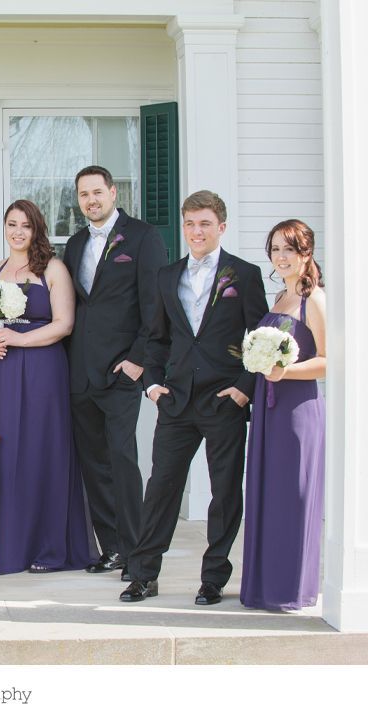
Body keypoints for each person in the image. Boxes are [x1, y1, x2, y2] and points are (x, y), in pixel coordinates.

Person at [121, 190, 268, 604]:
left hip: (224, 399)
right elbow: (156, 338)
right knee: (161, 489)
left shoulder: (245, 274)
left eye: (204, 223)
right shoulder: (167, 276)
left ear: (221, 227)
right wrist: (152, 385)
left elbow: (260, 338)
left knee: (224, 492)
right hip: (177, 401)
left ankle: (214, 578)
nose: (196, 231)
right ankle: (144, 574)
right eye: (190, 223)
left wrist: (244, 388)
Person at [0, 200, 97, 575]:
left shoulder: (52, 269)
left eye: (25, 225)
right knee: (4, 450)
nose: (18, 232)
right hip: (0, 370)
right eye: (12, 224)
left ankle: (48, 545)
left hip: (43, 368)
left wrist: (19, 340)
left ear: (36, 229)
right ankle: (2, 543)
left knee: (42, 449)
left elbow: (64, 324)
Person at [61, 165, 166, 579]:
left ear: (112, 192)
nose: (91, 200)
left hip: (122, 369)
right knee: (94, 464)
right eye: (83, 194)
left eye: (97, 192)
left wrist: (139, 360)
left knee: (122, 459)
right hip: (80, 371)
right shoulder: (74, 244)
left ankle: (137, 552)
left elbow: (155, 304)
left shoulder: (142, 237)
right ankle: (113, 549)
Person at [240, 219, 325, 611]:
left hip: (297, 412)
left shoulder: (315, 300)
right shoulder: (278, 297)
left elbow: (328, 361)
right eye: (275, 249)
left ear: (306, 252)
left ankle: (290, 589)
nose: (281, 256)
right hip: (268, 408)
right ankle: (264, 586)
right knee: (267, 493)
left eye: (289, 248)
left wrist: (284, 371)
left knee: (292, 496)